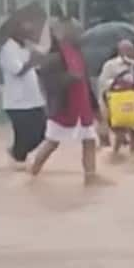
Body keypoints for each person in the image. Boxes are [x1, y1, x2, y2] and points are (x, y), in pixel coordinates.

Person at [31, 18, 104, 185]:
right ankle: (33, 173)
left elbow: (86, 82)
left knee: (89, 140)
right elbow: (47, 81)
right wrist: (68, 78)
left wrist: (96, 111)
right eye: (76, 30)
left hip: (82, 106)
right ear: (64, 33)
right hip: (64, 107)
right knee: (52, 143)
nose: (80, 33)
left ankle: (90, 176)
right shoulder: (53, 54)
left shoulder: (78, 52)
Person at [0, 19, 47, 169]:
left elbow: (38, 67)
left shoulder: (26, 48)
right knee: (25, 136)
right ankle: (18, 162)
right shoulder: (7, 49)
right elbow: (18, 71)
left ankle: (17, 156)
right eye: (25, 31)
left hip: (35, 99)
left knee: (44, 132)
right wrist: (33, 59)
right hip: (17, 102)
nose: (29, 34)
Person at [98, 39, 134, 156]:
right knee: (119, 129)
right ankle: (115, 154)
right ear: (120, 50)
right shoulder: (110, 65)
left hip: (130, 101)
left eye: (131, 49)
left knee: (133, 129)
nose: (129, 52)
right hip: (113, 101)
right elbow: (103, 82)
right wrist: (117, 82)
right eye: (126, 49)